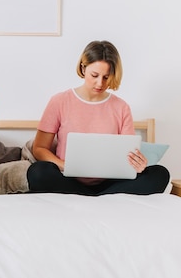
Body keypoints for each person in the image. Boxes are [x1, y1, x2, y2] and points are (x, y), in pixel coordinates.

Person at [26, 40, 170, 196]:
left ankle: (92, 197)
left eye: (106, 77)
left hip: (109, 181)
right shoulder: (59, 101)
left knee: (160, 174)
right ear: (83, 68)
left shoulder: (121, 107)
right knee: (37, 172)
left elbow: (128, 153)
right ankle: (101, 198)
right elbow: (39, 148)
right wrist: (64, 165)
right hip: (68, 178)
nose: (100, 83)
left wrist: (138, 164)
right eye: (94, 75)